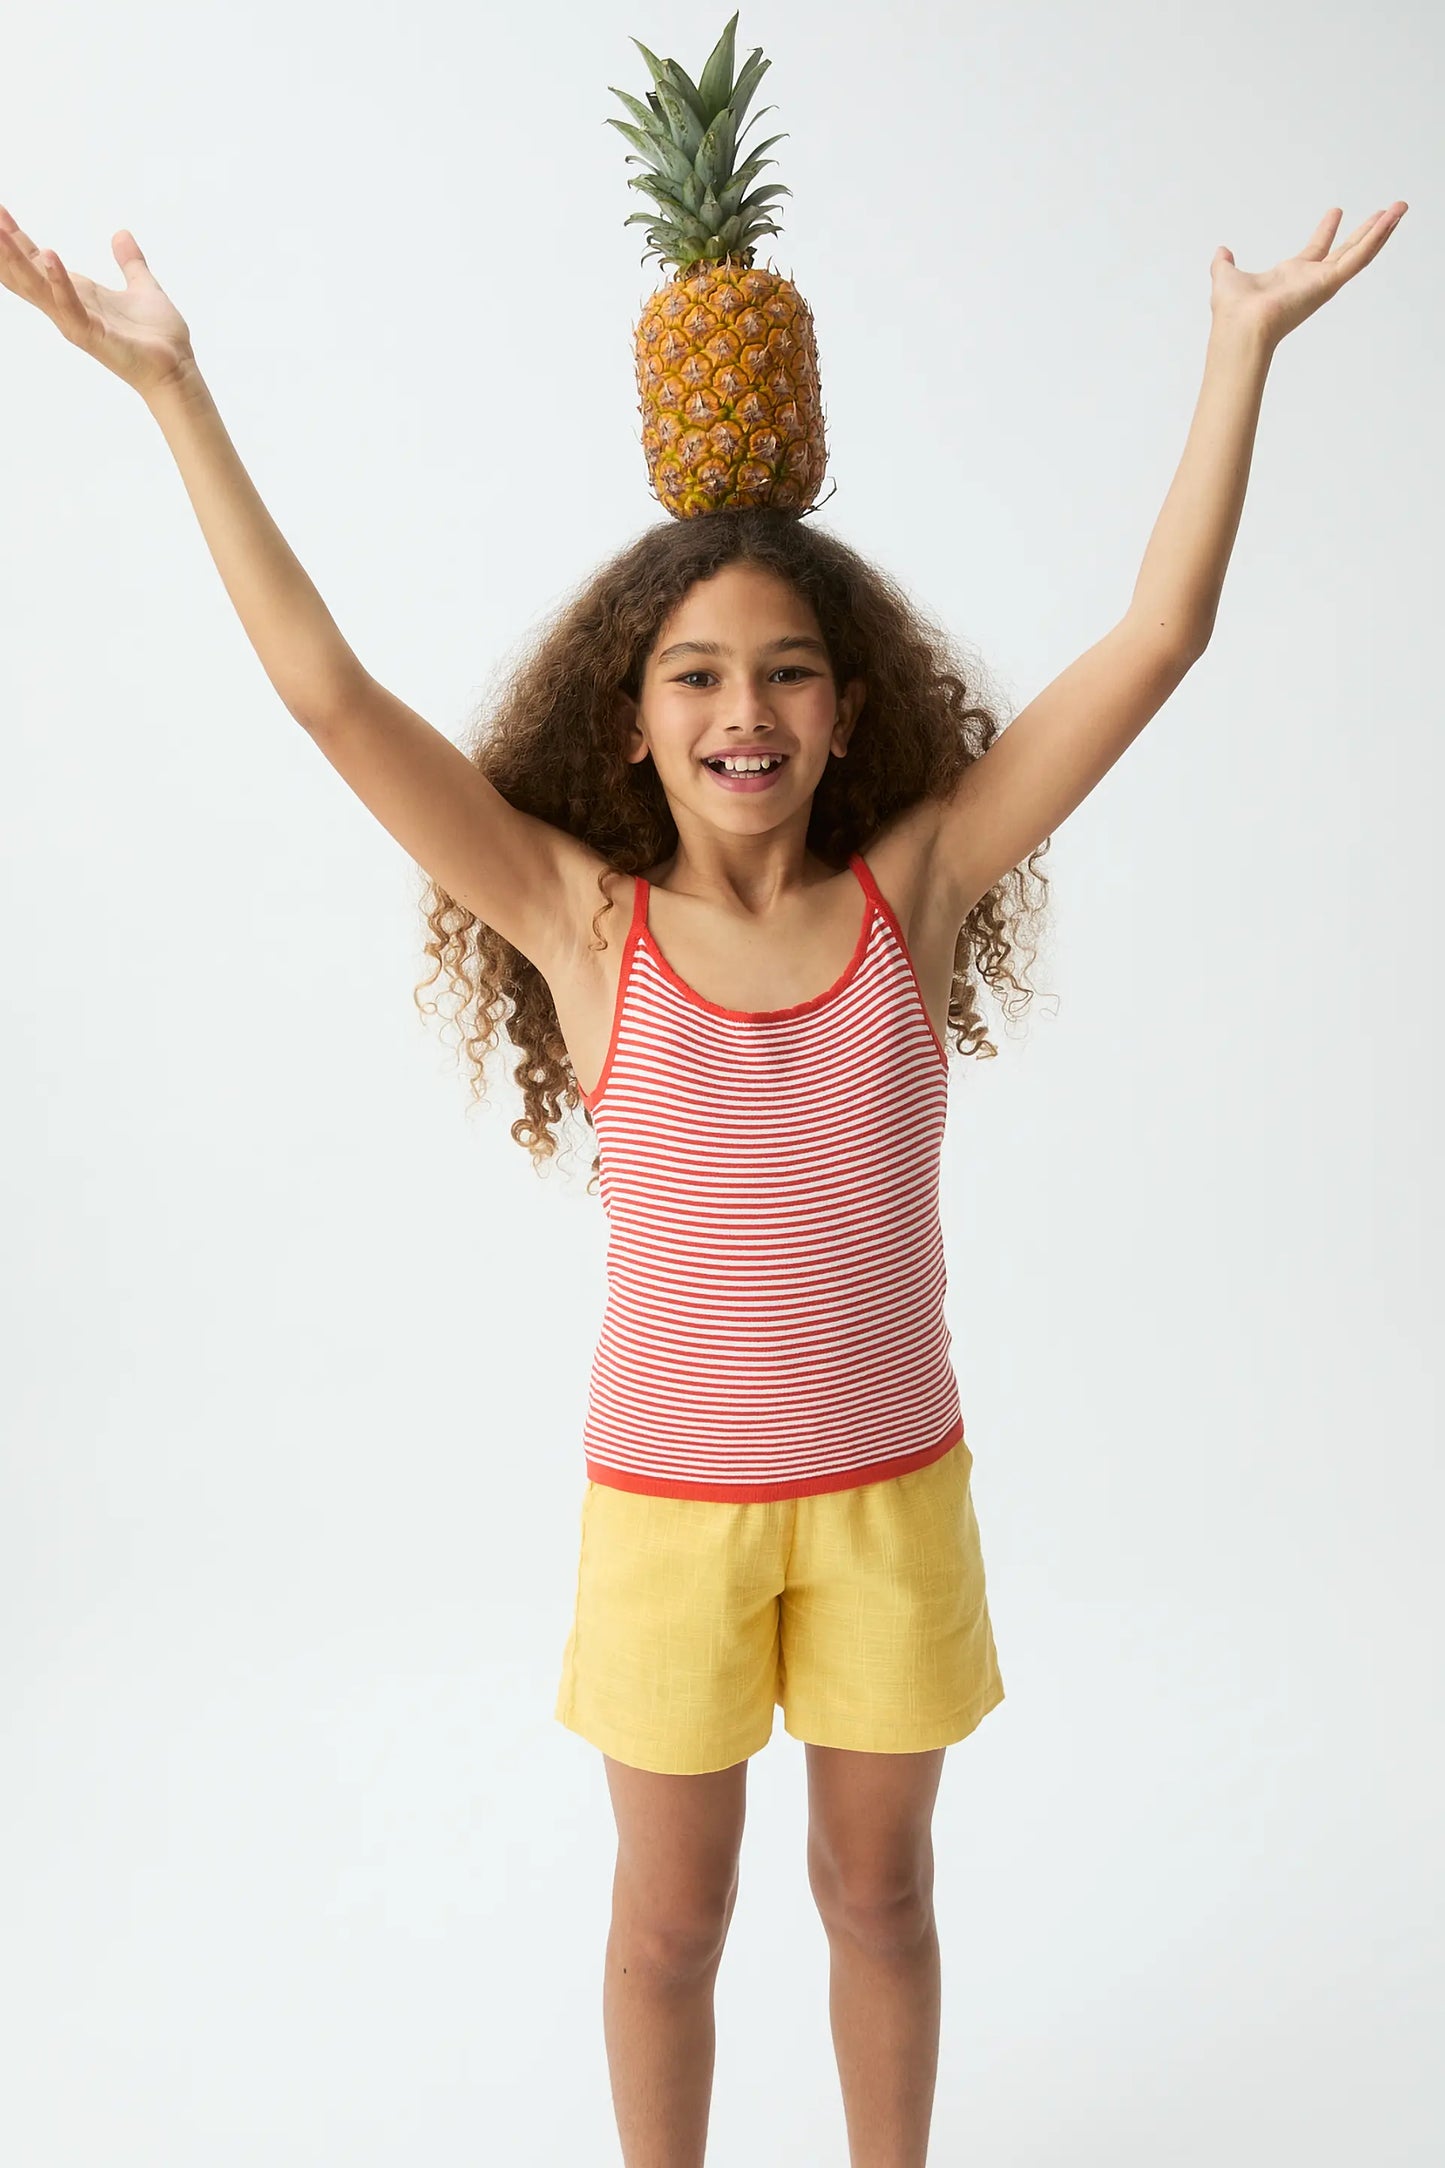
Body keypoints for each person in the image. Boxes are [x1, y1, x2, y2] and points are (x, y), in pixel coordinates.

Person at [0, 194, 1406, 2167]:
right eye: (697, 678)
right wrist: (174, 391)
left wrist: (1239, 350)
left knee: (882, 1895)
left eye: (791, 673)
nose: (746, 710)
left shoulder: (909, 889)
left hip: (892, 1500)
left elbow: (1159, 640)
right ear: (633, 721)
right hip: (667, 1518)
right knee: (671, 1922)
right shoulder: (587, 929)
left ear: (853, 710)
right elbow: (329, 694)